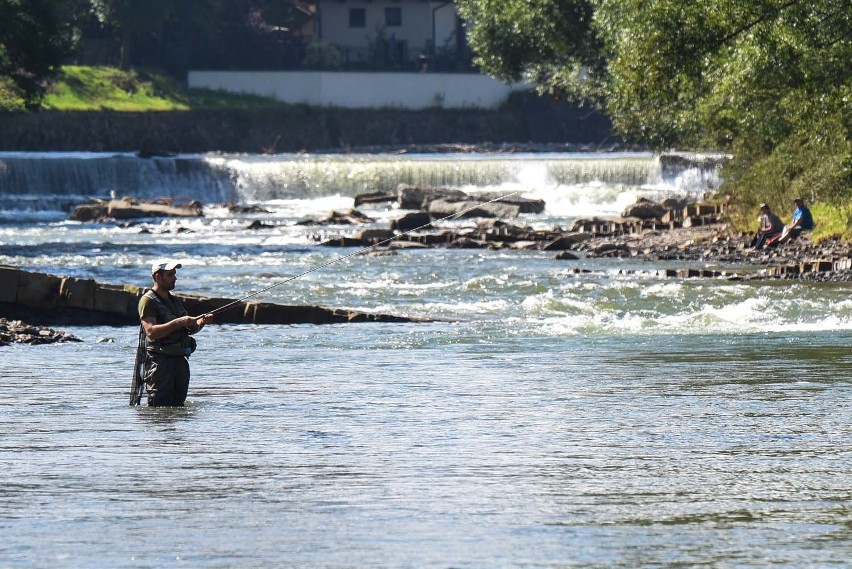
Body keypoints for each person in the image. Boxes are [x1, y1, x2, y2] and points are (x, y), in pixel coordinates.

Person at [131, 260, 213, 406]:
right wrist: (178, 322)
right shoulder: (147, 301)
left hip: (180, 361)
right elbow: (151, 332)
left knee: (178, 409)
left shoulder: (174, 300)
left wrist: (201, 323)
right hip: (160, 364)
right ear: (157, 277)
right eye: (170, 274)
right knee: (159, 410)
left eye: (174, 274)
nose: (175, 277)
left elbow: (189, 330)